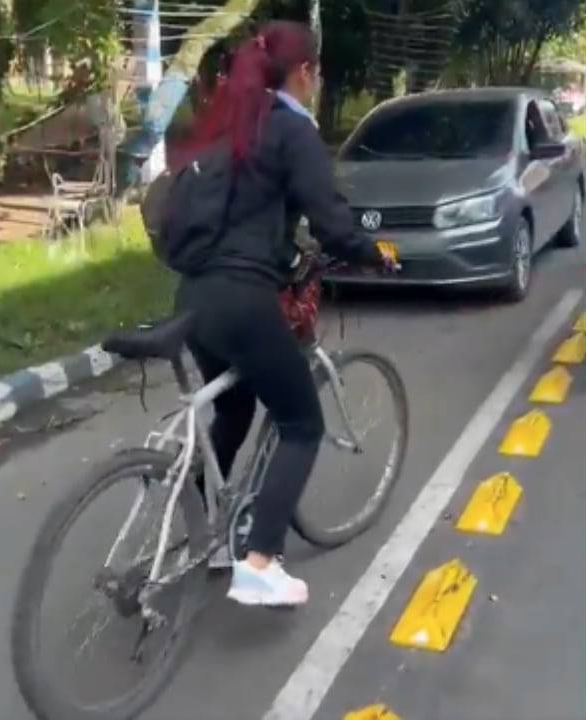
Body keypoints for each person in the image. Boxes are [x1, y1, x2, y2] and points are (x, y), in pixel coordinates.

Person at [154, 21, 394, 607]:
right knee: (302, 423)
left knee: (233, 410)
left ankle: (203, 536)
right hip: (242, 299)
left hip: (194, 297)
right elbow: (332, 221)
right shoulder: (291, 130)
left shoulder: (227, 127)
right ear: (305, 72)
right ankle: (258, 562)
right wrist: (375, 253)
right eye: (317, 75)